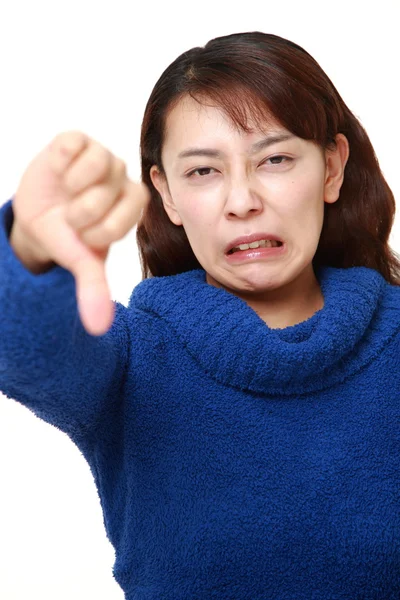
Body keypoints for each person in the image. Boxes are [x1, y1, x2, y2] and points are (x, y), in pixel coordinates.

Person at [0, 30, 399, 599]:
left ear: (332, 168)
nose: (242, 201)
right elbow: (27, 350)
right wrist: (29, 249)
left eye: (276, 158)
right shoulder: (129, 357)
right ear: (165, 194)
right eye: (203, 172)